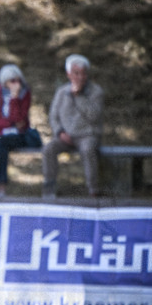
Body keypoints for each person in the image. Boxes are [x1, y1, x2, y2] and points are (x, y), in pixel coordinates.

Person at [42, 54, 104, 199]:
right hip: (65, 136)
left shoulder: (96, 92)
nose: (80, 77)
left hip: (87, 135)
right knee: (48, 149)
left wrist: (79, 97)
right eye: (76, 73)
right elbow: (53, 116)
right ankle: (49, 190)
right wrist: (59, 132)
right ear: (69, 74)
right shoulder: (61, 92)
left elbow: (94, 117)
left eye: (83, 73)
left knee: (88, 150)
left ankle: (93, 190)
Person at [0, 63, 41, 198]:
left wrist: (15, 98)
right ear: (5, 82)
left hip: (19, 136)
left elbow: (19, 119)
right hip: (2, 136)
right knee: (1, 143)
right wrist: (8, 124)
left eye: (18, 80)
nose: (16, 83)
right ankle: (1, 188)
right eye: (12, 81)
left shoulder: (24, 94)